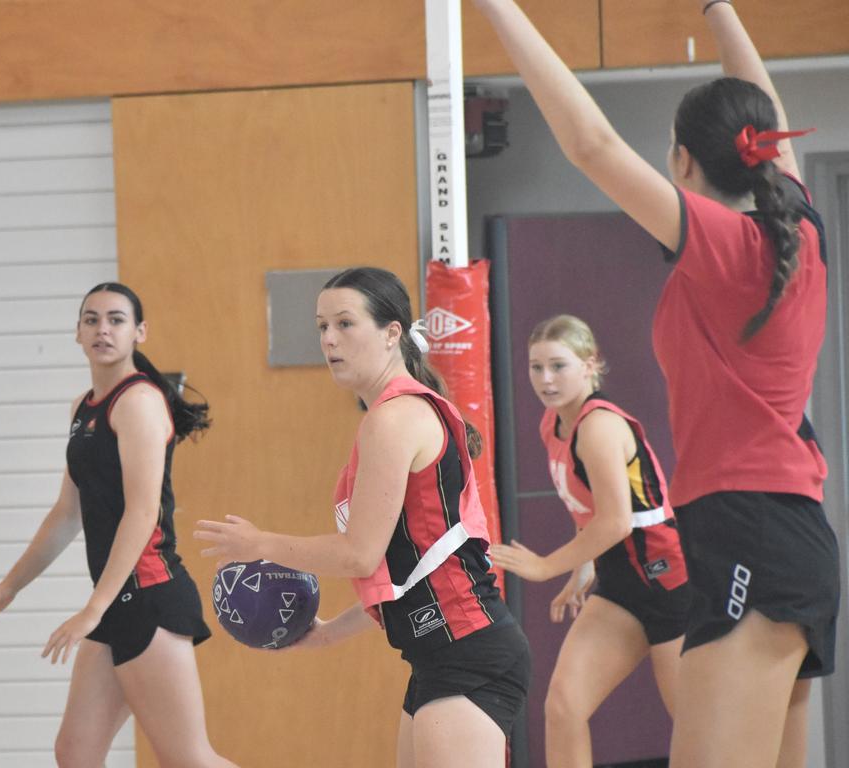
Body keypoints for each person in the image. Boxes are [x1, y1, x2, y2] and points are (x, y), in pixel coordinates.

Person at [473, 1, 840, 767]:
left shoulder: (725, 242)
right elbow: (764, 108)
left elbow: (590, 141)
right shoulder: (797, 230)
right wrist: (720, 9)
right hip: (777, 530)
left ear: (681, 162)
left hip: (749, 530)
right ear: (766, 157)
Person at [195, 267, 530, 768]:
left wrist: (260, 543)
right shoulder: (391, 417)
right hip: (437, 653)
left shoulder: (394, 419)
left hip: (467, 651)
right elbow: (406, 568)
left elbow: (359, 552)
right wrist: (331, 631)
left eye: (345, 324)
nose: (329, 339)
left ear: (392, 332)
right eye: (321, 326)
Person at [0, 282, 237, 768]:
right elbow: (67, 513)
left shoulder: (140, 402)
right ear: (78, 333)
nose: (102, 328)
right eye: (91, 319)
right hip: (117, 602)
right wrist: (9, 587)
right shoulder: (84, 408)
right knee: (76, 752)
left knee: (188, 759)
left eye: (116, 319)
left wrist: (92, 608)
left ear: (139, 332)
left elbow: (142, 513)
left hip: (149, 597)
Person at [490, 314, 688, 767]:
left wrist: (545, 566)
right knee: (563, 706)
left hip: (670, 583)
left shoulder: (598, 427)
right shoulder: (553, 425)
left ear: (590, 364)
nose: (545, 379)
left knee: (696, 727)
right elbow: (588, 511)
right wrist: (585, 567)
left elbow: (617, 521)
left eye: (558, 366)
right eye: (536, 367)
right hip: (621, 584)